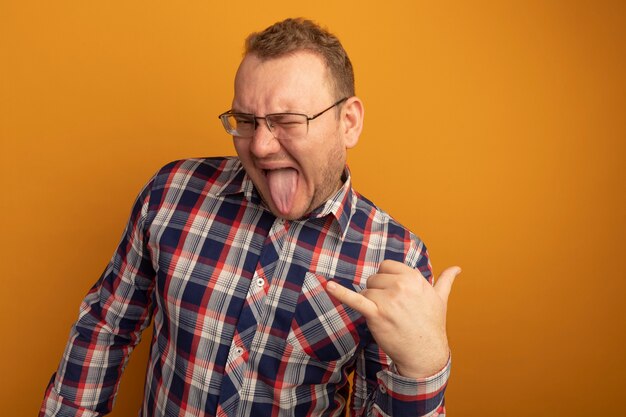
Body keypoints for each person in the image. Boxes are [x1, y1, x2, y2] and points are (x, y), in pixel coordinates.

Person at [40, 17, 460, 417]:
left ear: (347, 123)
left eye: (287, 121)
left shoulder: (395, 257)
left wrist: (422, 368)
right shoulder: (172, 192)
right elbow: (106, 326)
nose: (259, 147)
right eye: (245, 120)